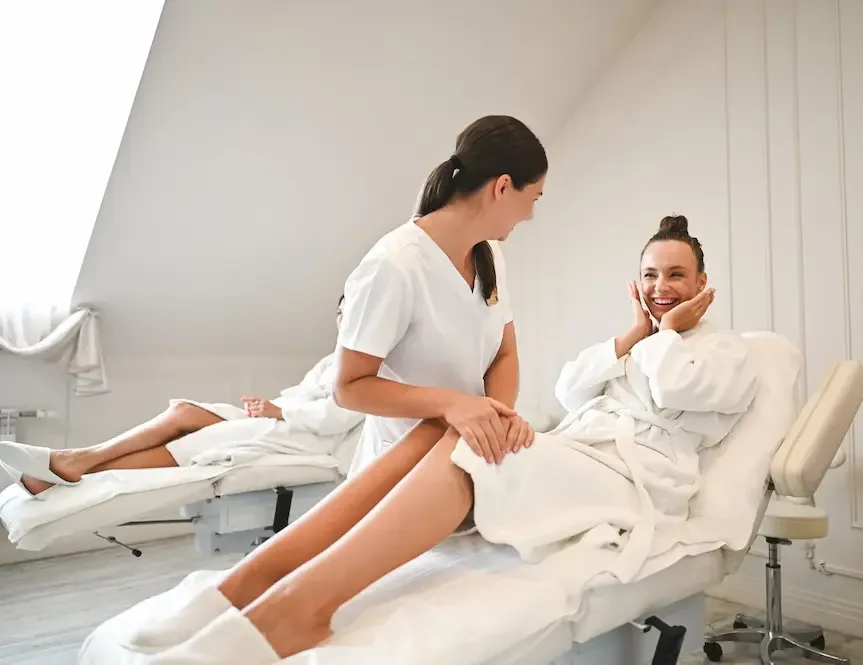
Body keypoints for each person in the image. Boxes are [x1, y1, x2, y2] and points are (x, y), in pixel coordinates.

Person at [119, 209, 758, 665]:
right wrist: (636, 332)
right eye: (650, 275)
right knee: (442, 424)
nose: (660, 288)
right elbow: (570, 389)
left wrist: (664, 333)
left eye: (676, 276)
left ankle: (300, 606)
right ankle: (256, 579)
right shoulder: (634, 343)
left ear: (702, 285)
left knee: (475, 451)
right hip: (582, 449)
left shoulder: (729, 353)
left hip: (635, 479)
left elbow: (675, 387)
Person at [120, 114, 546, 663]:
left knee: (446, 434)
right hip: (409, 449)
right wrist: (457, 406)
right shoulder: (394, 264)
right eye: (533, 197)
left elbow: (505, 351)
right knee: (440, 433)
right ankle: (249, 591)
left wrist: (487, 416)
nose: (531, 214)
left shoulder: (490, 256)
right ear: (502, 187)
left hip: (457, 440)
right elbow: (349, 388)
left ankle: (248, 589)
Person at [0, 294, 361, 497]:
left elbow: (339, 416)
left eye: (352, 313)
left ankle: (72, 467)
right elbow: (301, 394)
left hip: (308, 436)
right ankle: (76, 461)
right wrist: (269, 406)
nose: (342, 319)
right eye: (339, 312)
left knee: (193, 436)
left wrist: (279, 412)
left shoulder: (374, 366)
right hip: (286, 419)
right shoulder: (334, 359)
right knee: (184, 412)